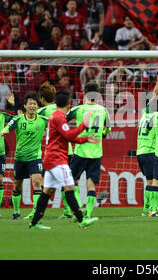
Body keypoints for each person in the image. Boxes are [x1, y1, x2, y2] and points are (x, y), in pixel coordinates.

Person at [29, 89, 100, 229]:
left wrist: (86, 139)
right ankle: (81, 220)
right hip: (57, 160)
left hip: (51, 158)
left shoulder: (56, 116)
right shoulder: (59, 117)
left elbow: (67, 137)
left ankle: (34, 222)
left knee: (47, 192)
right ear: (68, 103)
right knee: (69, 187)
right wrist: (84, 125)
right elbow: (69, 136)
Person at [67, 81, 111, 219]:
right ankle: (89, 213)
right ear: (97, 95)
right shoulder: (104, 111)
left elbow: (63, 119)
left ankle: (79, 207)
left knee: (71, 181)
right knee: (91, 184)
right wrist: (102, 134)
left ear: (84, 93)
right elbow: (108, 128)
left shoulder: (78, 109)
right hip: (96, 152)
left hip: (81, 151)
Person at [0, 92, 48, 220]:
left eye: (35, 104)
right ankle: (16, 212)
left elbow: (56, 126)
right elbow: (8, 126)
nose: (32, 106)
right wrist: (4, 131)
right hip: (20, 157)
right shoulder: (18, 119)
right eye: (30, 104)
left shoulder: (43, 120)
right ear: (25, 106)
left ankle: (35, 212)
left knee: (37, 182)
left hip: (35, 157)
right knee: (16, 185)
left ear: (37, 106)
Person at [36, 83, 73, 219]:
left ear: (41, 98)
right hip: (67, 149)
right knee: (66, 182)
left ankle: (36, 213)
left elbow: (30, 116)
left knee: (44, 184)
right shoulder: (62, 110)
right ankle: (68, 210)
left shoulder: (44, 110)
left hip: (54, 153)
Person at [138, 70, 158, 217]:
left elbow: (154, 95)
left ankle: (150, 208)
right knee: (154, 181)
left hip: (141, 152)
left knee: (154, 180)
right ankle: (150, 209)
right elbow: (157, 97)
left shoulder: (145, 114)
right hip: (151, 152)